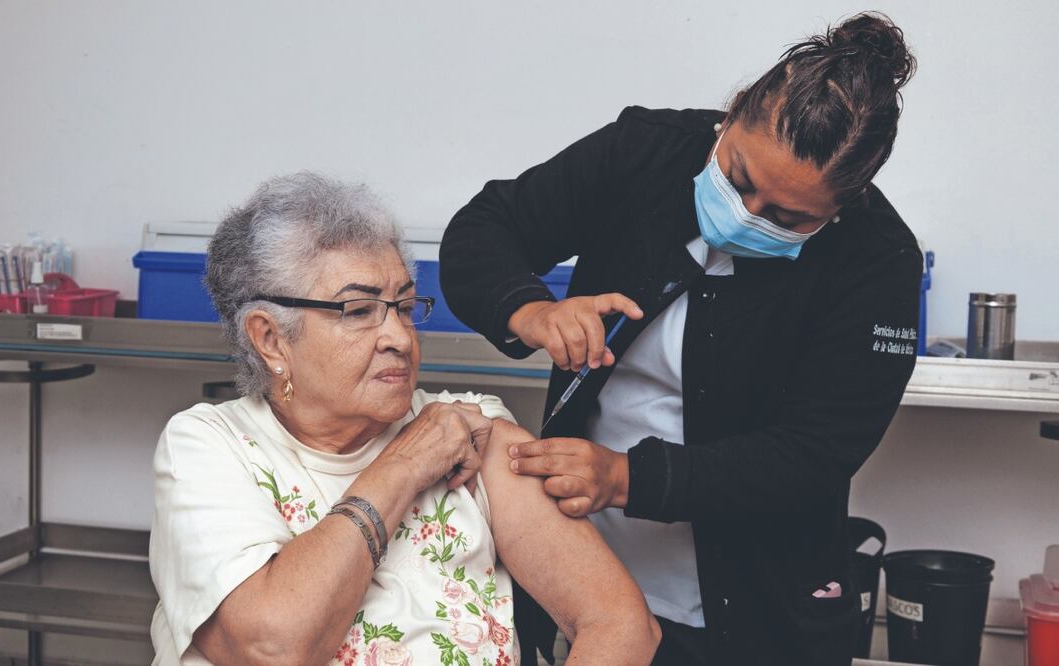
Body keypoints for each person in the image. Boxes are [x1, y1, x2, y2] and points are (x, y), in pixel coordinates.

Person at [439, 12, 921, 666]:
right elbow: (484, 229)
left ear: (843, 205)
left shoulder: (876, 260)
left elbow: (809, 456)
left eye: (786, 218)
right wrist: (530, 311)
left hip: (763, 616)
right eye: (738, 178)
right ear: (732, 114)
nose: (745, 216)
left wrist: (629, 478)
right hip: (587, 588)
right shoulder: (645, 152)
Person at [148, 172, 660, 666]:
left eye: (405, 307)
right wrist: (406, 464)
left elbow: (620, 622)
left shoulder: (469, 428)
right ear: (270, 339)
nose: (398, 336)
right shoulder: (209, 447)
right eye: (358, 310)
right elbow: (274, 648)